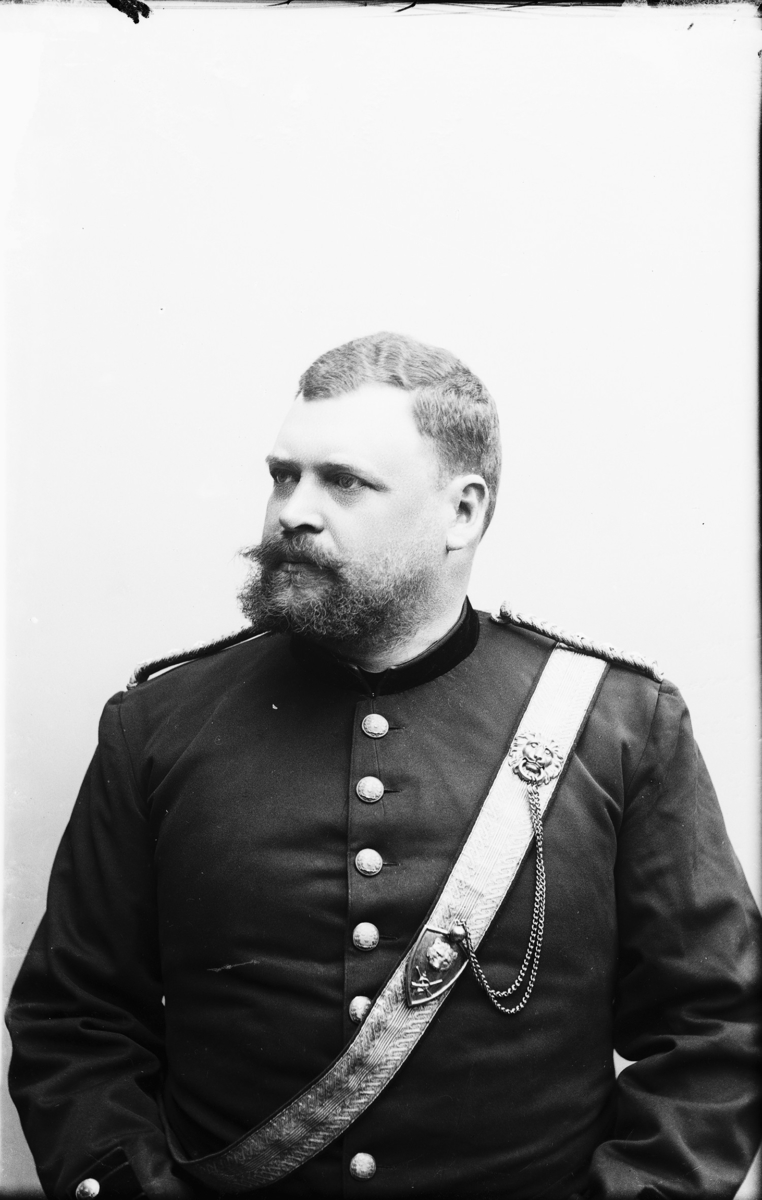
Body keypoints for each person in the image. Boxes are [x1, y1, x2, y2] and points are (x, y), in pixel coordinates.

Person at [6, 332, 760, 1200]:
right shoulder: (158, 724)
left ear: (463, 512)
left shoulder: (620, 725)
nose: (292, 512)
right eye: (283, 476)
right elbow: (76, 1024)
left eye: (344, 481)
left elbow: (718, 1028)